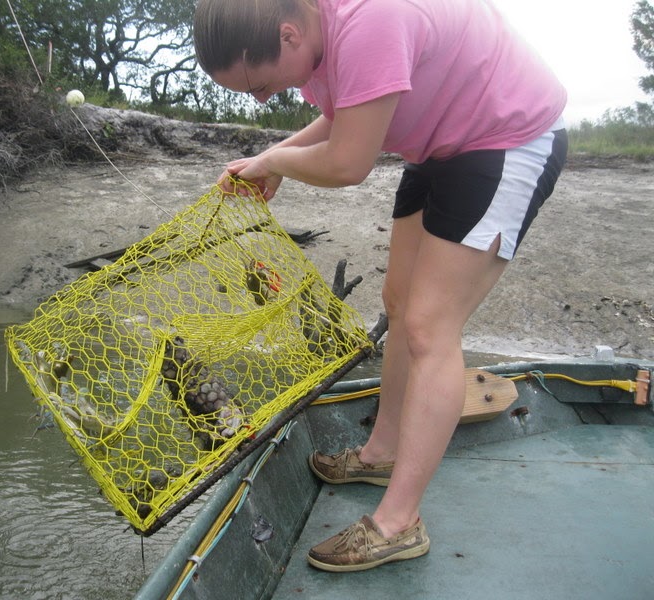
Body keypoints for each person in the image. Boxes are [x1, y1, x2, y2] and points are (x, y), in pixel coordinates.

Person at [193, 0, 568, 573]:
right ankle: (382, 453)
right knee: (398, 304)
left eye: (260, 86)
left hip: (506, 137)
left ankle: (399, 524)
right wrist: (273, 160)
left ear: (288, 36)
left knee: (428, 327)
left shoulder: (370, 19)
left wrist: (274, 158)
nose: (263, 99)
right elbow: (347, 114)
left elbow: (348, 161)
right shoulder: (317, 37)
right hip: (442, 144)